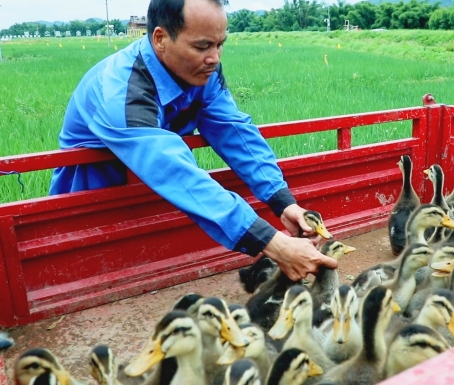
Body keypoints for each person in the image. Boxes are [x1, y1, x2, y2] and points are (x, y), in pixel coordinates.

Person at [48, 0, 337, 280]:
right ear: (160, 38)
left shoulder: (202, 72)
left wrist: (283, 202)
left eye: (219, 44)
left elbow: (233, 130)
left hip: (164, 200)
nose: (214, 57)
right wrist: (275, 243)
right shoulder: (123, 90)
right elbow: (171, 168)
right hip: (95, 209)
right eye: (202, 46)